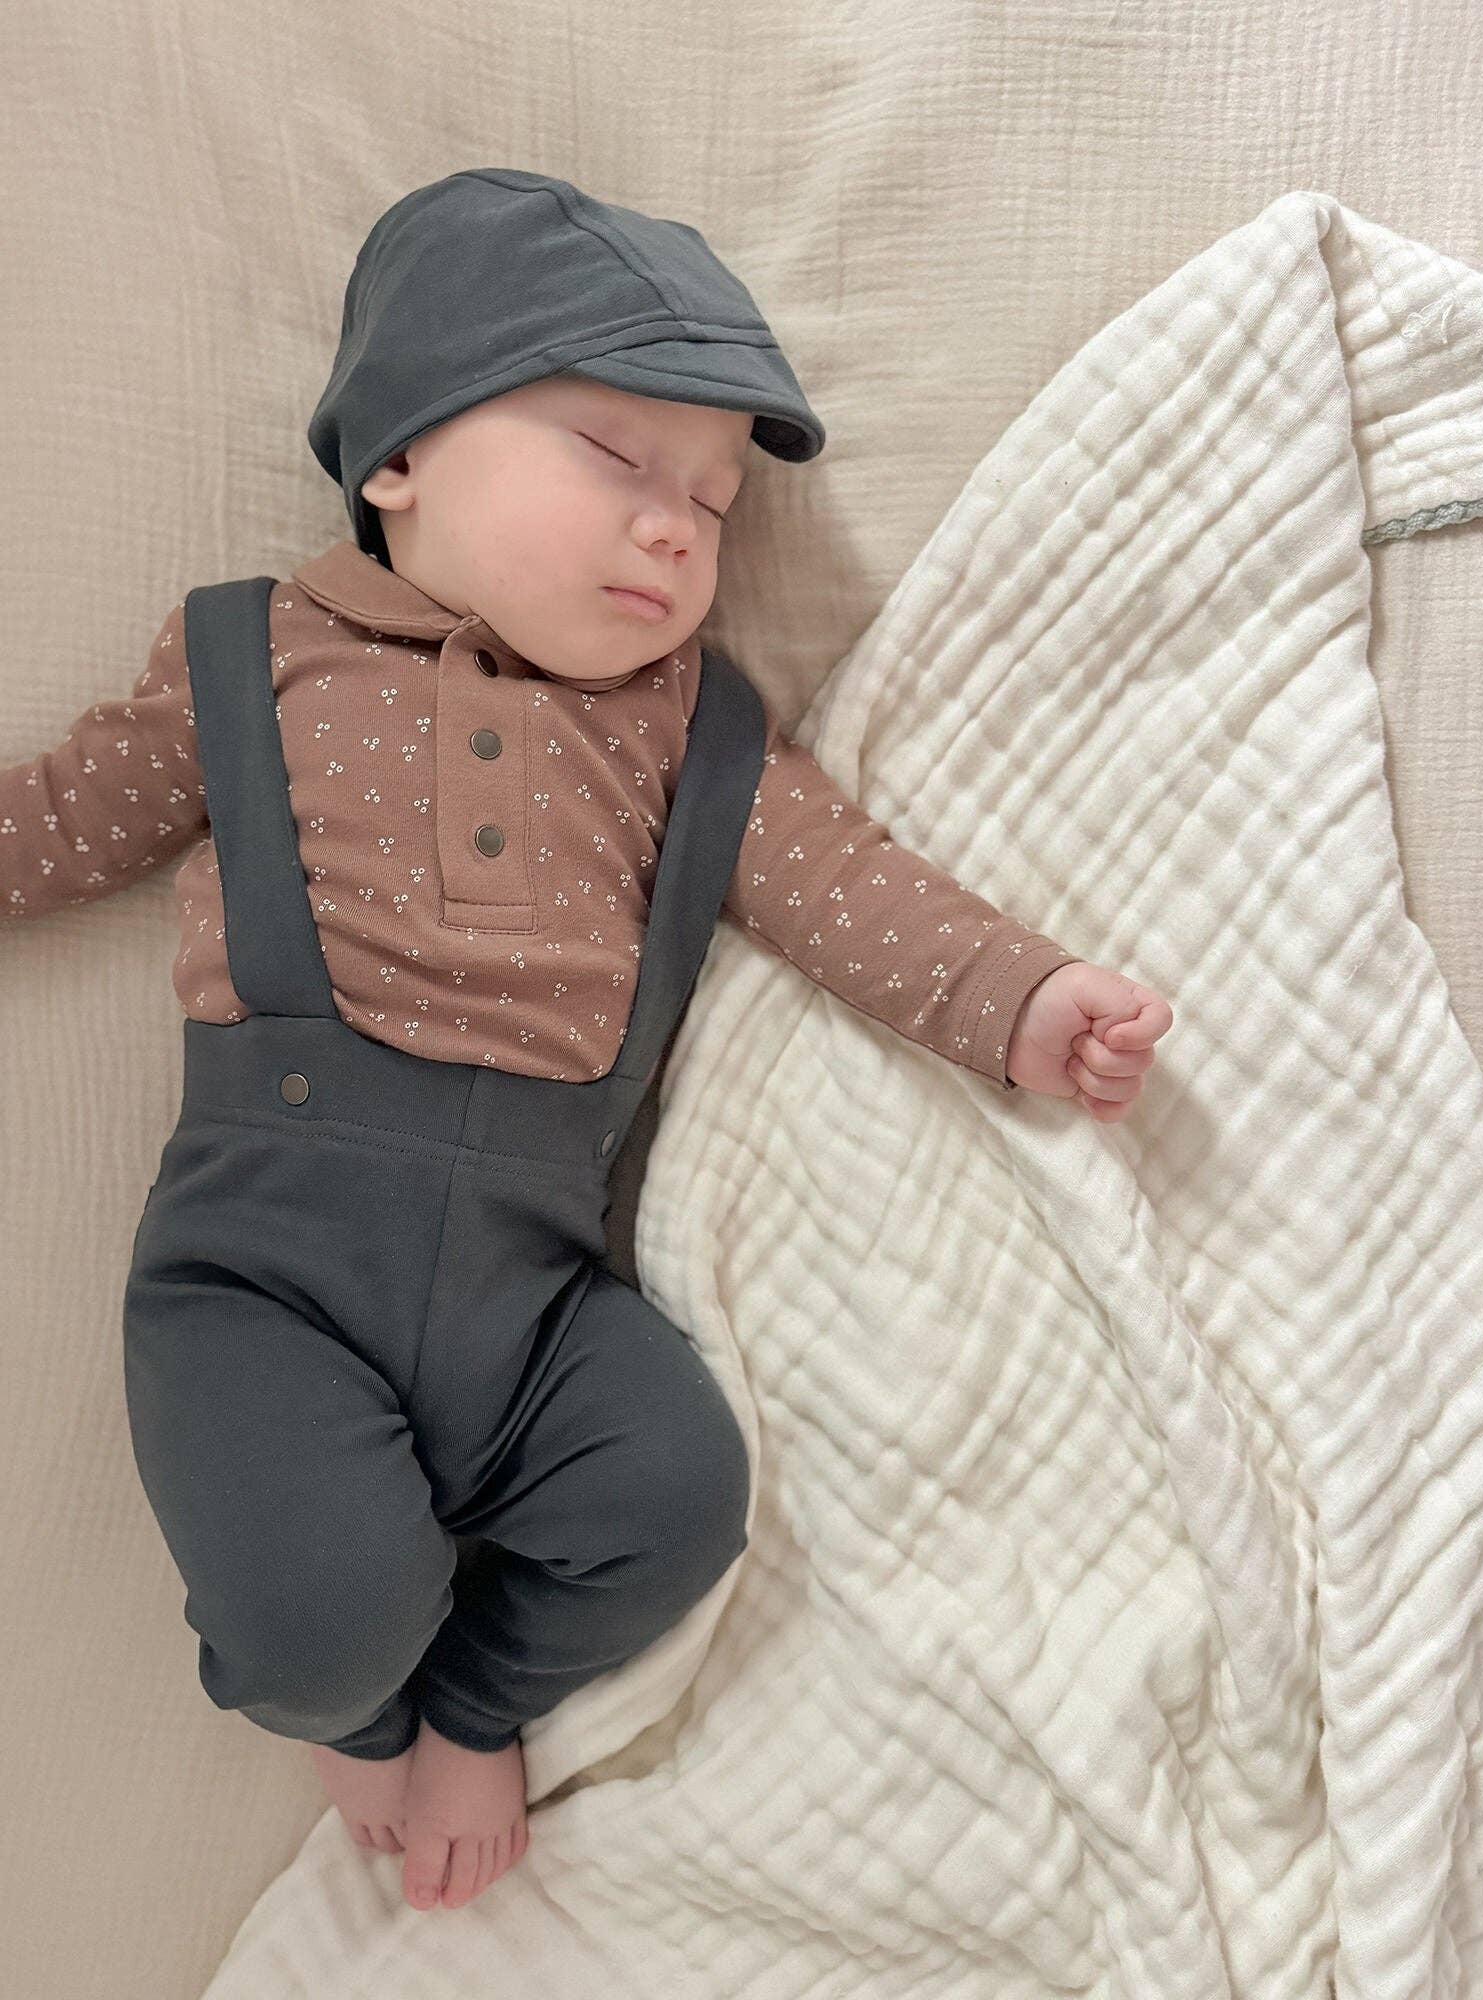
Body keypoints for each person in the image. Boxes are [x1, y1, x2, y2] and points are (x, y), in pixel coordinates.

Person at [0, 168, 1171, 1916]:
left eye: (711, 501)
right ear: (398, 455)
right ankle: (363, 1692)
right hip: (266, 1278)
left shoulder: (690, 736)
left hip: (537, 1296)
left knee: (683, 1492)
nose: (680, 530)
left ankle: (478, 1701)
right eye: (617, 459)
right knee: (317, 1622)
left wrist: (1020, 1002)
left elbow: (846, 889)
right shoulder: (252, 657)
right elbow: (66, 818)